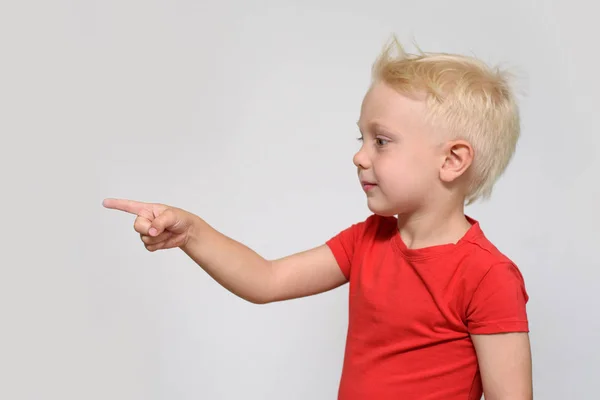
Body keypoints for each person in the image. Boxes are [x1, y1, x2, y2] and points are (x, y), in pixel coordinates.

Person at [103, 36, 532, 399]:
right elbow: (266, 280)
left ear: (453, 160)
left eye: (381, 141)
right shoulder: (367, 241)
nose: (359, 156)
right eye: (361, 137)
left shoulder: (487, 276)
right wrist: (191, 232)